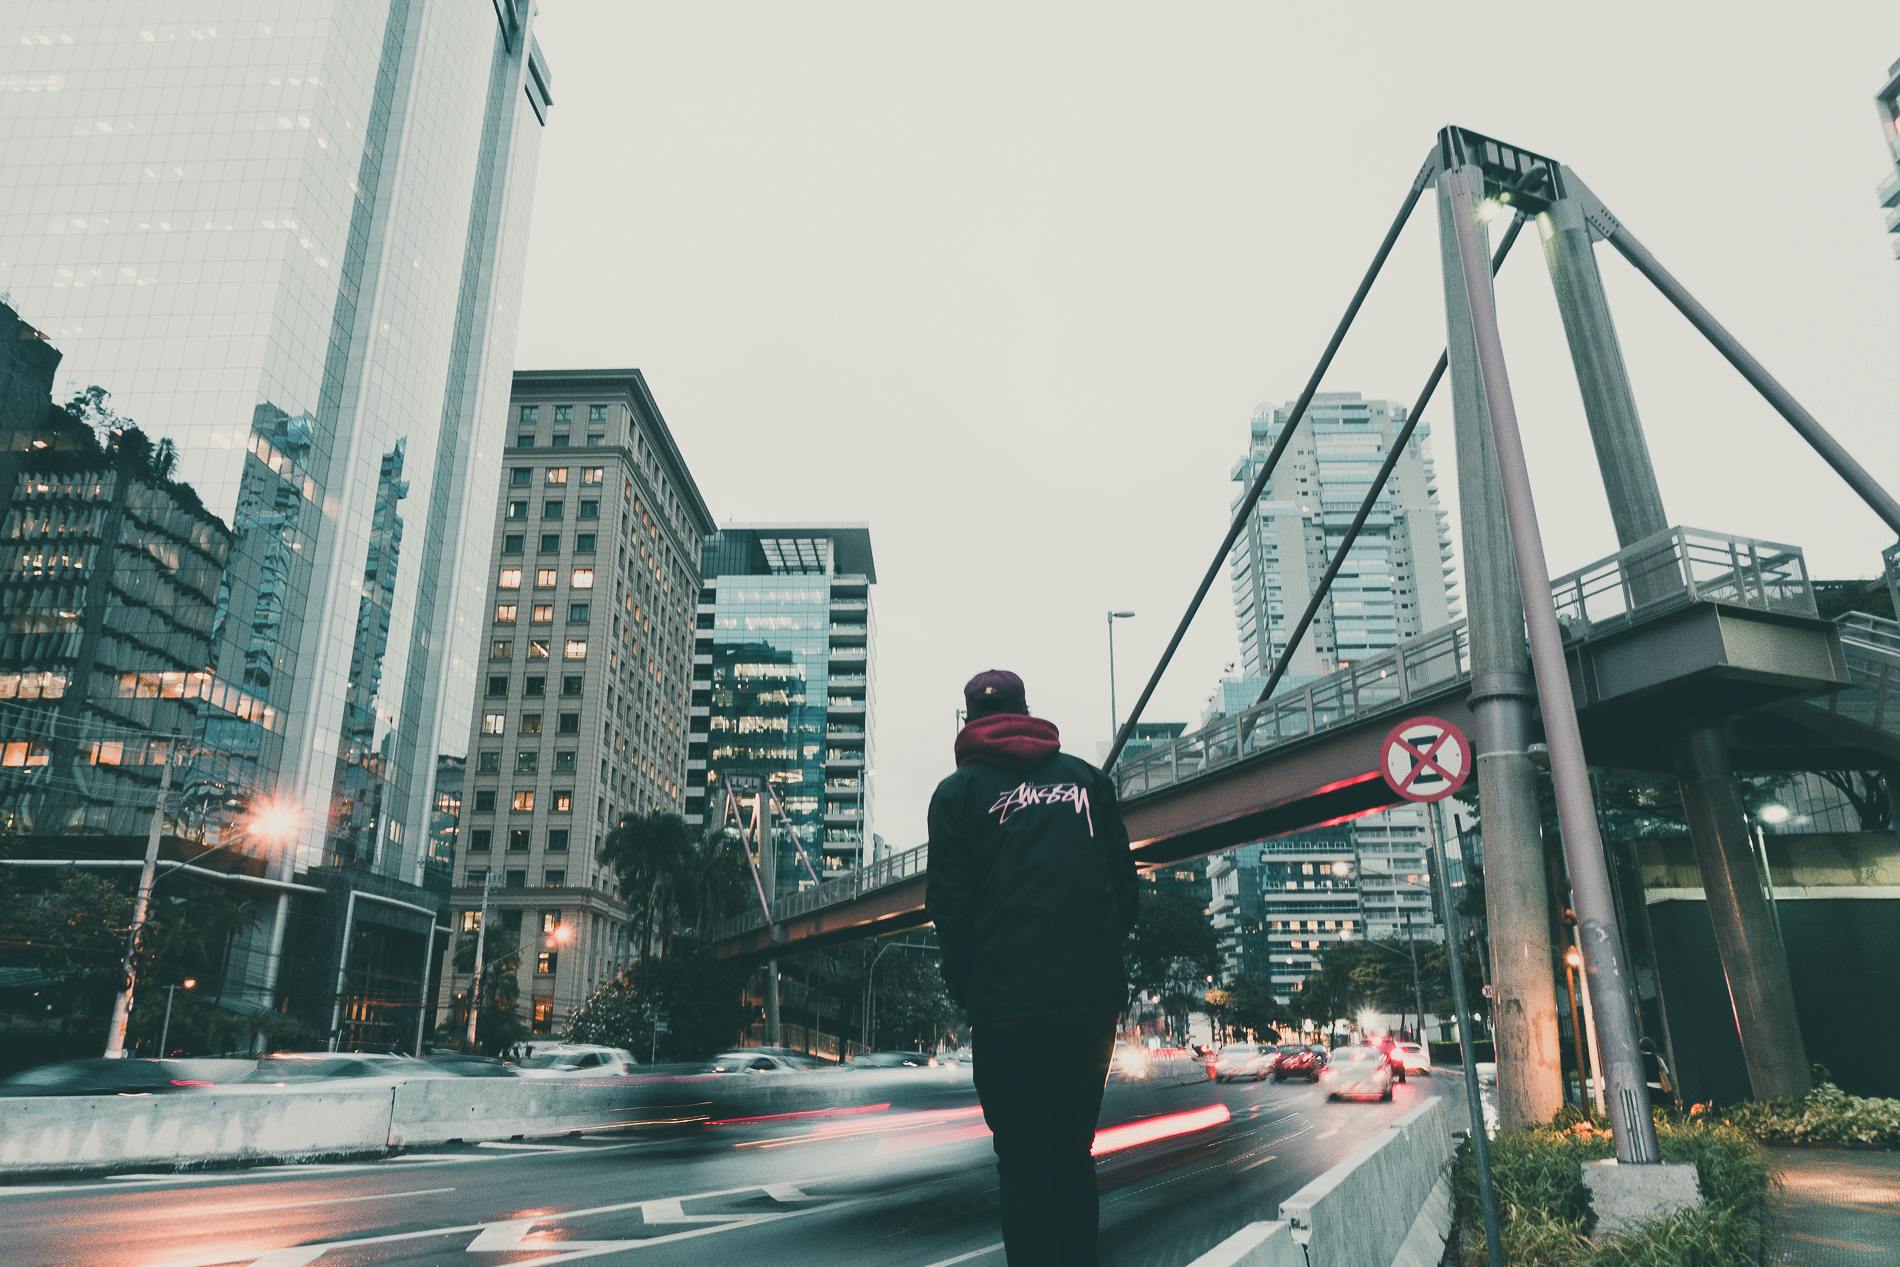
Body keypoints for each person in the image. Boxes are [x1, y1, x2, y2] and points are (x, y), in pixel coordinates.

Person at [926, 669, 1138, 1266]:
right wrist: (1093, 955)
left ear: (969, 721)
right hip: (1088, 1005)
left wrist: (970, 987)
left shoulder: (955, 794)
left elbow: (950, 906)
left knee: (1022, 1166)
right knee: (1073, 1154)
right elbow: (1126, 892)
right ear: (1026, 710)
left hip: (1006, 1011)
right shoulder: (1088, 782)